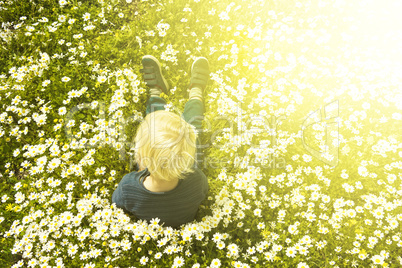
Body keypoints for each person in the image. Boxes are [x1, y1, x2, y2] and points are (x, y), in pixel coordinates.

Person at [112, 55, 210, 228]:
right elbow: (203, 192)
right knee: (193, 125)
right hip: (181, 175)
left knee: (153, 124)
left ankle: (156, 92)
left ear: (140, 159)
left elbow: (117, 202)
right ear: (189, 157)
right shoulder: (196, 180)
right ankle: (196, 91)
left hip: (151, 174)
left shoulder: (129, 188)